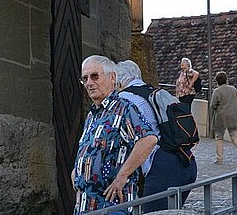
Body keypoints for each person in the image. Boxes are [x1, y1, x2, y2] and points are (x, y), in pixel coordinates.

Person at [72, 55, 157, 214]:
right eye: (85, 78)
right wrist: (77, 172)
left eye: (95, 76)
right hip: (86, 204)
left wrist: (122, 176)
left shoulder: (124, 108)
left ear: (112, 78)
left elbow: (148, 140)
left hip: (112, 205)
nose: (89, 82)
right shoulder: (93, 115)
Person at [116, 60, 197, 213]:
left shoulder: (125, 100)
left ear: (119, 81)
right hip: (186, 162)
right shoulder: (154, 92)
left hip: (162, 169)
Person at [211, 71, 237, 165]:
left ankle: (219, 159)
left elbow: (213, 105)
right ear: (226, 80)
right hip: (233, 115)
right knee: (235, 135)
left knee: (219, 137)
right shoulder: (233, 89)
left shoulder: (217, 91)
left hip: (221, 117)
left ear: (217, 81)